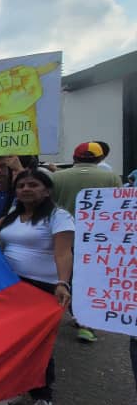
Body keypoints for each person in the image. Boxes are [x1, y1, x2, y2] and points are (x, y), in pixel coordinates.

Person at [0, 169, 72, 405]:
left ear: (46, 190)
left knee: (39, 344)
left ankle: (43, 397)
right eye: (21, 185)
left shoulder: (59, 216)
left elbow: (64, 253)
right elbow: (3, 244)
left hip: (43, 288)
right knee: (11, 341)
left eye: (33, 185)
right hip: (11, 285)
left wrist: (62, 282)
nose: (26, 189)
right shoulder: (14, 217)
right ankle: (13, 389)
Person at [50, 142, 122, 343]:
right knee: (90, 280)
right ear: (99, 159)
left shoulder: (56, 177)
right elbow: (118, 209)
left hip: (62, 236)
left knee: (65, 277)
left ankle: (64, 315)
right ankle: (86, 323)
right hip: (97, 238)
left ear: (74, 157)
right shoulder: (111, 177)